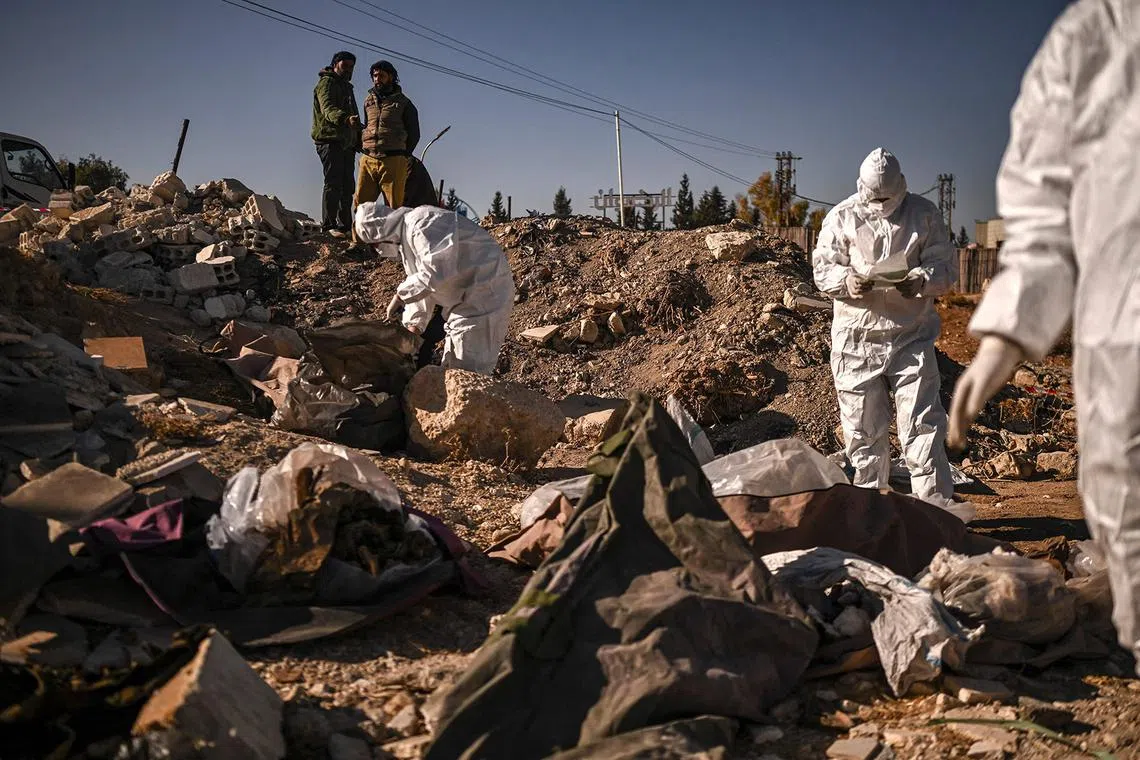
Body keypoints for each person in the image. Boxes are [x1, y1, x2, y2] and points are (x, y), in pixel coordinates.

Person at [949, 0, 1140, 670]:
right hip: (1123, 319)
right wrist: (1006, 333)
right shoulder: (1091, 37)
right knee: (1121, 476)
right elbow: (1040, 209)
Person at [813, 148, 971, 522]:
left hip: (910, 337)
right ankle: (870, 518)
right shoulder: (843, 217)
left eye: (888, 196)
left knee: (922, 426)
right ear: (862, 187)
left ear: (901, 186)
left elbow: (946, 267)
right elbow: (823, 267)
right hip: (856, 340)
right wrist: (844, 281)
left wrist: (921, 280)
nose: (882, 204)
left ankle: (934, 517)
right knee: (862, 432)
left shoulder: (923, 215)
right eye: (875, 196)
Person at [354, 201, 514, 375]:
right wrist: (412, 330)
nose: (378, 250)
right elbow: (424, 290)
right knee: (455, 367)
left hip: (485, 293)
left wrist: (400, 296)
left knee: (469, 370)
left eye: (374, 245)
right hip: (468, 300)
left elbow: (436, 272)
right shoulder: (408, 239)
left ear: (380, 234)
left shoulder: (422, 222)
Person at [354, 60, 420, 233]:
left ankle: (393, 246)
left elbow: (414, 133)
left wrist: (403, 156)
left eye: (381, 75)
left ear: (391, 77)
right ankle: (359, 245)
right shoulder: (368, 101)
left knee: (394, 207)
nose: (377, 79)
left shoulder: (404, 103)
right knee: (361, 205)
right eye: (374, 76)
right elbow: (368, 125)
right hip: (368, 159)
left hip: (393, 159)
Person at [311, 51, 361, 238]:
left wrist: (358, 138)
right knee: (333, 182)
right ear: (335, 65)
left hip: (347, 143)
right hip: (329, 140)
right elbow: (328, 109)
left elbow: (354, 116)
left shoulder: (347, 87)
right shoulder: (327, 83)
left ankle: (344, 226)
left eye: (351, 67)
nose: (348, 70)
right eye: (345, 66)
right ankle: (328, 225)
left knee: (348, 186)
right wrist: (345, 119)